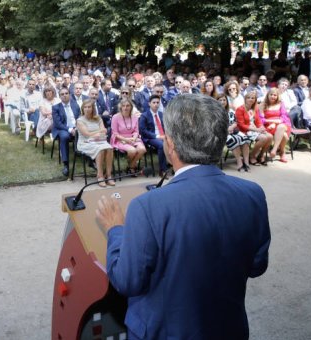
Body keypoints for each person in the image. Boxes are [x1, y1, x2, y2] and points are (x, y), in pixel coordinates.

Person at [96, 94, 271, 340]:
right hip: (228, 329)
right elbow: (257, 265)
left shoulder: (147, 206)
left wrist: (115, 229)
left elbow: (127, 281)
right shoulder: (252, 194)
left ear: (170, 145)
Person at [75, 99, 114, 185]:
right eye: (85, 107)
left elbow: (104, 131)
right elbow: (87, 134)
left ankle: (108, 175)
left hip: (99, 140)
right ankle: (100, 176)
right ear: (82, 109)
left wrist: (99, 132)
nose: (87, 109)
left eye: (89, 107)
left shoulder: (98, 118)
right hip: (85, 143)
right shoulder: (80, 120)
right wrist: (98, 132)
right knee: (100, 149)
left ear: (93, 108)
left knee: (109, 148)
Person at [110, 98, 146, 176]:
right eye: (123, 106)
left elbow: (136, 131)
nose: (125, 108)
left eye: (128, 106)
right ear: (121, 107)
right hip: (120, 139)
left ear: (131, 107)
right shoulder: (115, 117)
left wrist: (134, 138)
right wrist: (126, 139)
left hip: (133, 138)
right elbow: (115, 133)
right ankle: (132, 168)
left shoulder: (135, 117)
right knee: (132, 151)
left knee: (142, 149)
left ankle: (130, 166)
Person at [235, 91, 273, 165]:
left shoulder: (255, 109)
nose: (250, 99)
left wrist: (262, 128)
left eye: (253, 98)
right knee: (263, 138)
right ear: (245, 99)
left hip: (254, 129)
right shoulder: (240, 109)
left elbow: (258, 121)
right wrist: (257, 129)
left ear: (255, 100)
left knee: (270, 136)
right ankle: (252, 156)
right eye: (248, 98)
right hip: (244, 131)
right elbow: (241, 125)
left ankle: (261, 155)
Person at [217, 94, 251, 171]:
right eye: (220, 100)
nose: (222, 102)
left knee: (245, 138)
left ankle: (246, 162)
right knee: (233, 139)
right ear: (217, 101)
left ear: (227, 101)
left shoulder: (231, 111)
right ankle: (239, 162)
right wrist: (227, 129)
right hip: (222, 133)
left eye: (224, 100)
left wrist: (232, 127)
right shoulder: (215, 112)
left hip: (233, 130)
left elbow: (236, 122)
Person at [52, 88, 81, 176]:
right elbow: (58, 124)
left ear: (69, 94)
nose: (64, 95)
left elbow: (80, 118)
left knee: (87, 133)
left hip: (76, 128)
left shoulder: (75, 105)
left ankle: (91, 160)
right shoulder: (56, 107)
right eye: (62, 94)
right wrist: (70, 129)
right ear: (60, 96)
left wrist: (76, 128)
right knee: (64, 137)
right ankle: (66, 164)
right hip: (63, 129)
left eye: (66, 93)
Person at [139, 95, 169, 176]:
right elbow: (143, 131)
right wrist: (157, 136)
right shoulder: (144, 115)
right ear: (149, 104)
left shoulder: (161, 114)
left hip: (164, 136)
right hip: (151, 137)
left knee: (175, 143)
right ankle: (163, 170)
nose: (156, 104)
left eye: (157, 103)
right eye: (154, 102)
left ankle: (175, 166)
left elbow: (167, 127)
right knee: (162, 145)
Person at [260, 88, 291, 163]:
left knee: (282, 126)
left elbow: (283, 117)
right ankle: (281, 152)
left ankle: (274, 150)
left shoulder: (280, 104)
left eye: (275, 95)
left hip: (281, 124)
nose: (273, 97)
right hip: (268, 125)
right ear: (268, 95)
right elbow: (261, 119)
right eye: (271, 95)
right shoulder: (263, 105)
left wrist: (275, 123)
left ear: (277, 96)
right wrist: (272, 122)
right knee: (284, 135)